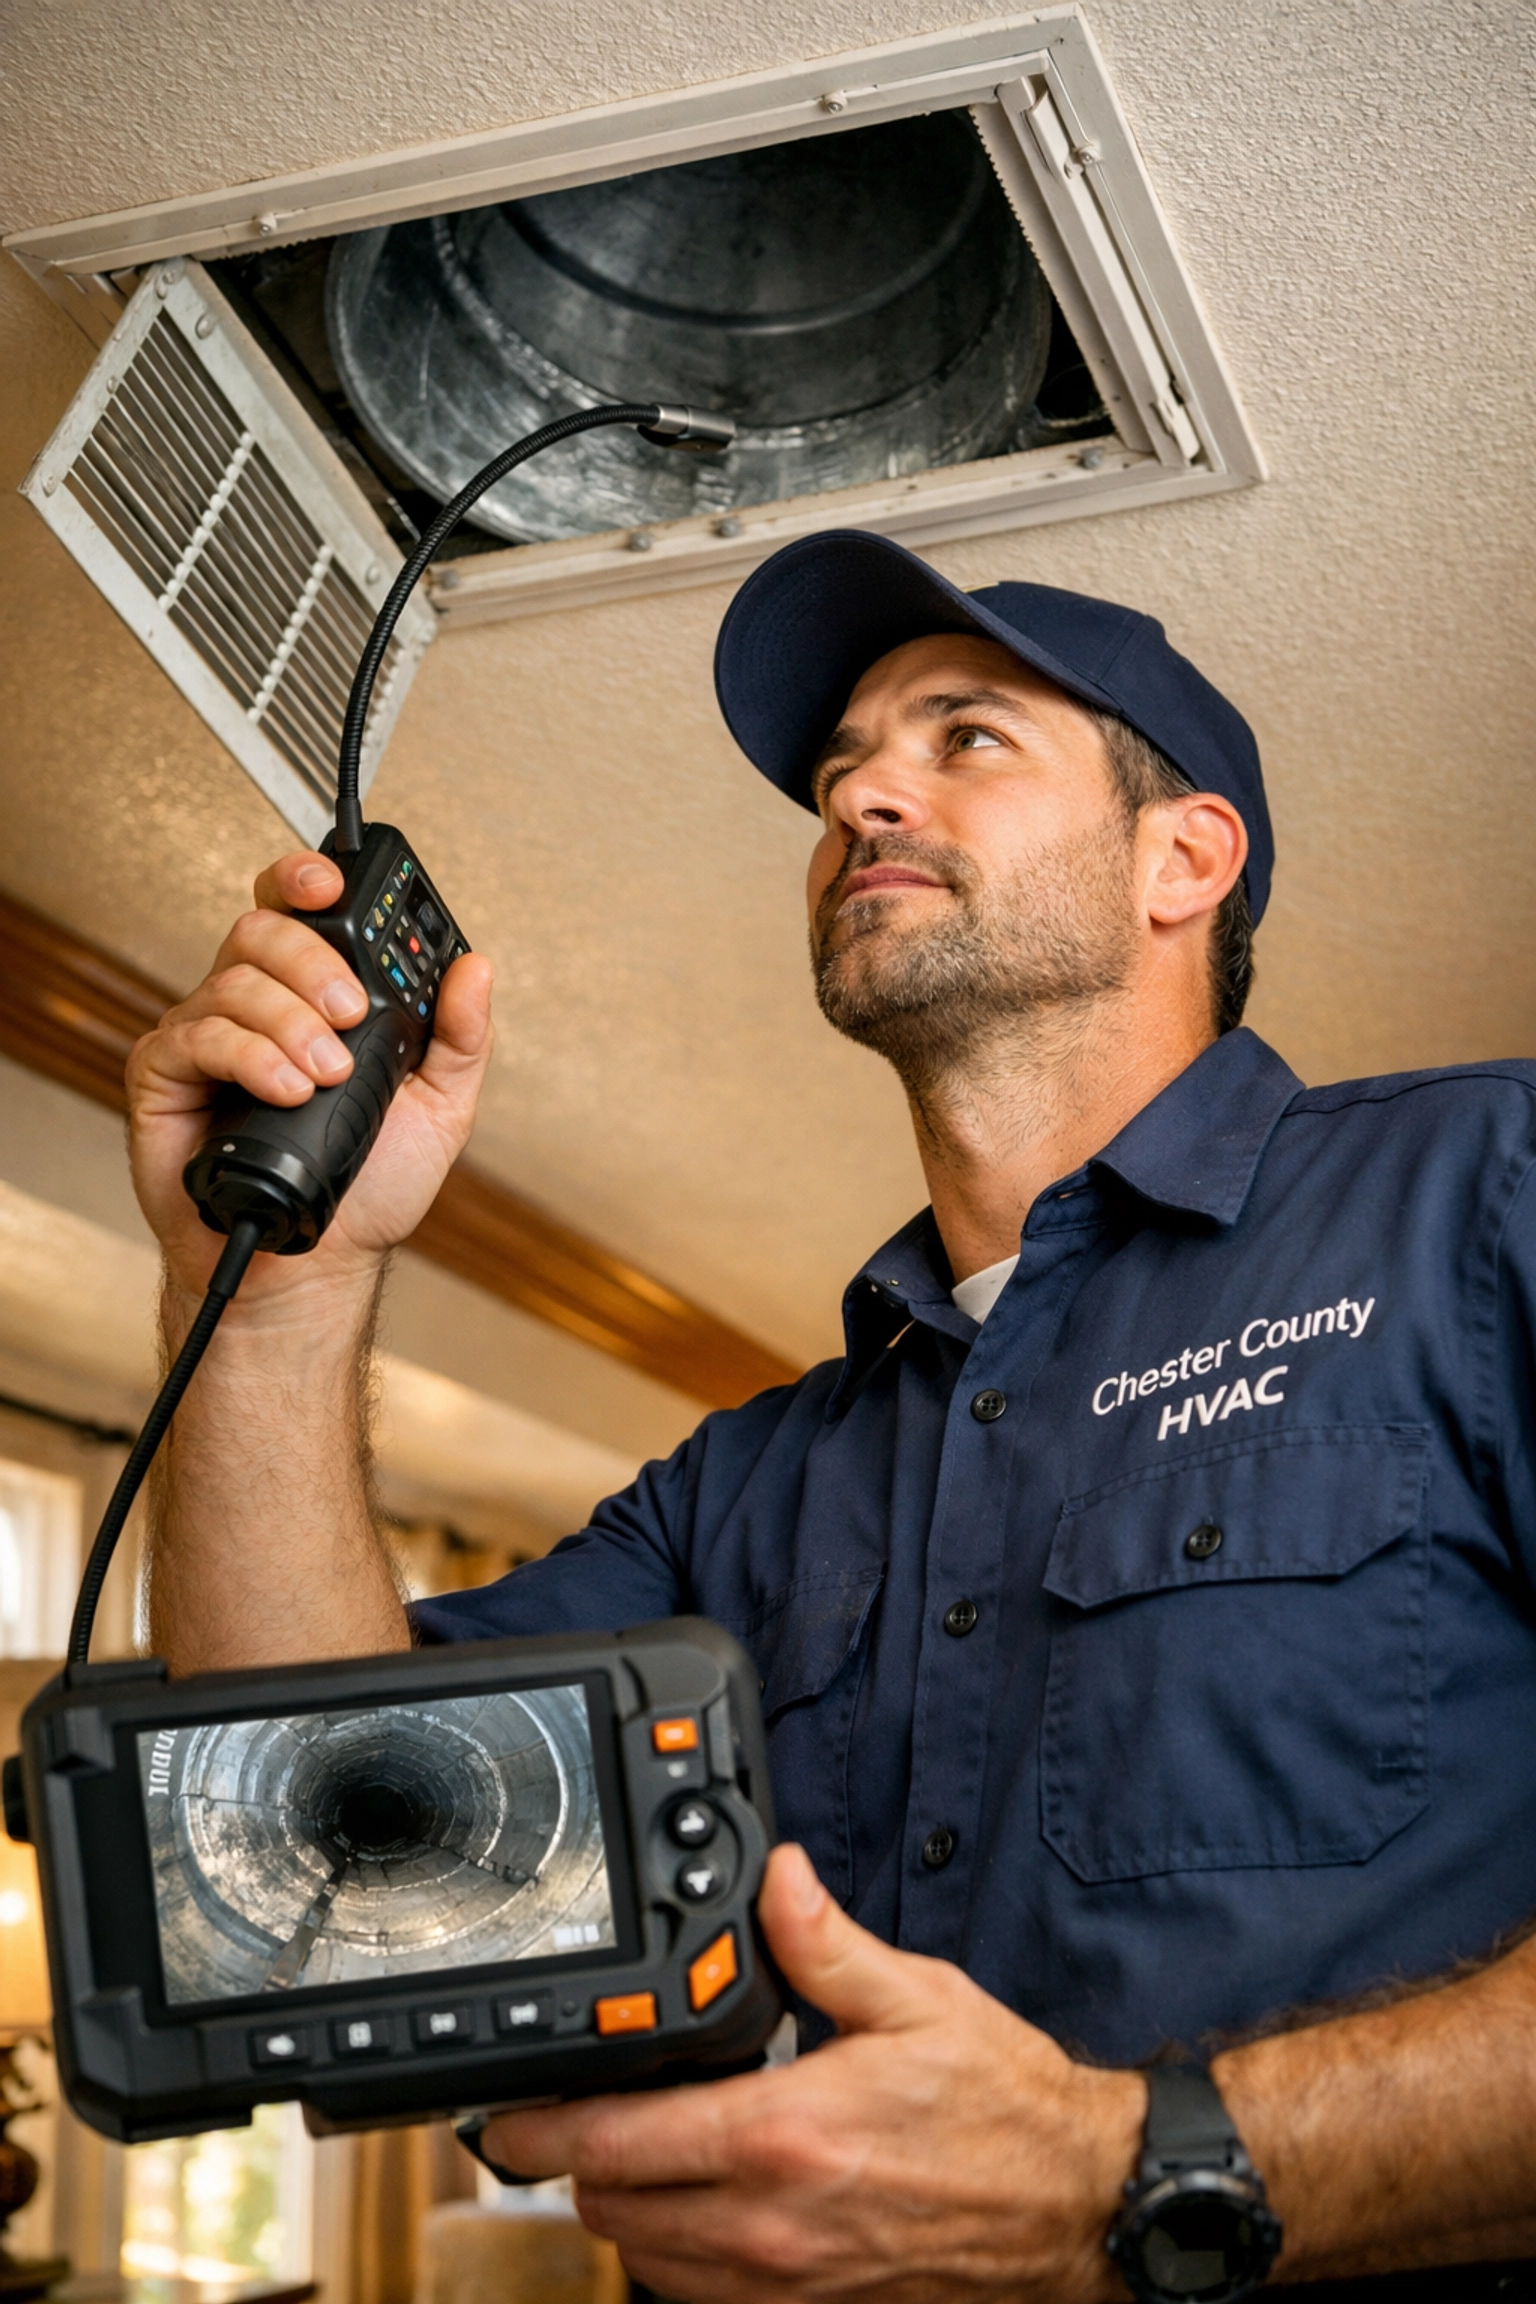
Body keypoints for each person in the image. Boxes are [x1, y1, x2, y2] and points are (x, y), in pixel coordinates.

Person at [128, 530, 1536, 2302]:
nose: (863, 789)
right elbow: (312, 1876)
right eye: (839, 769)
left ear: (1185, 858)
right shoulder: (741, 1484)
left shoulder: (1488, 1187)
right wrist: (265, 1295)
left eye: (964, 737)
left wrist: (1138, 2174)